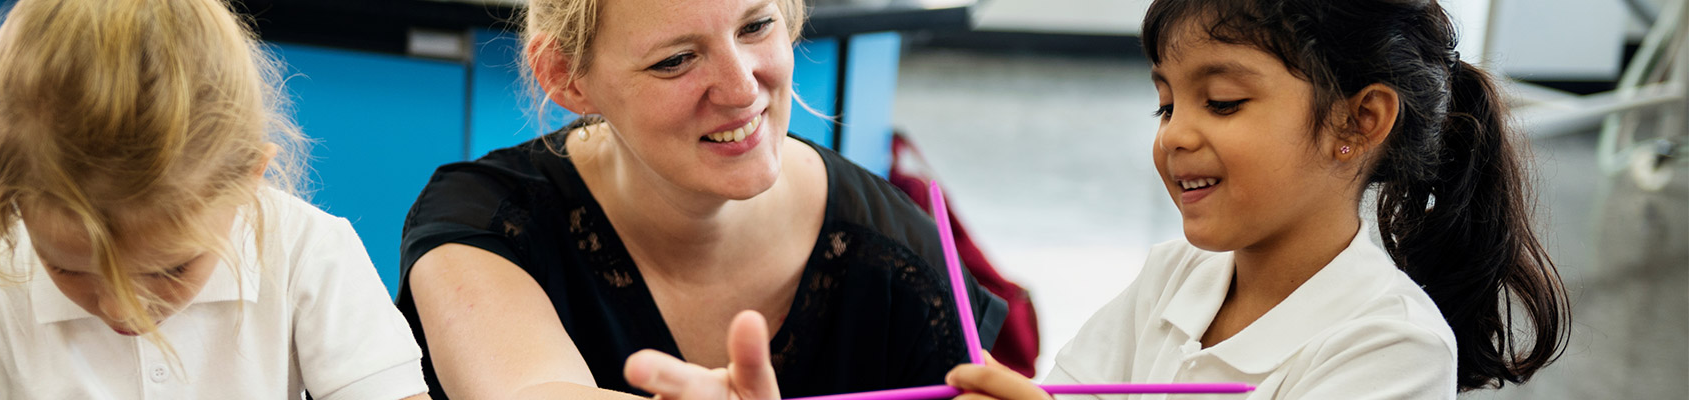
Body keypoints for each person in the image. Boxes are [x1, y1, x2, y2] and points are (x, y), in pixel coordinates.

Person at [945, 0, 1570, 398]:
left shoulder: (1393, 347)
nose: (1175, 135)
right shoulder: (1172, 277)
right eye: (1166, 104)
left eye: (1222, 102)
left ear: (1359, 120)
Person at [397, 0, 1006, 398]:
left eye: (756, 26)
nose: (743, 89)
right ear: (566, 76)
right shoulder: (479, 226)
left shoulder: (900, 254)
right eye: (677, 60)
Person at [0, 1, 430, 398]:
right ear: (12, 201)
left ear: (246, 180)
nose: (124, 310)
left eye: (169, 269)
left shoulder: (309, 254)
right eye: (69, 270)